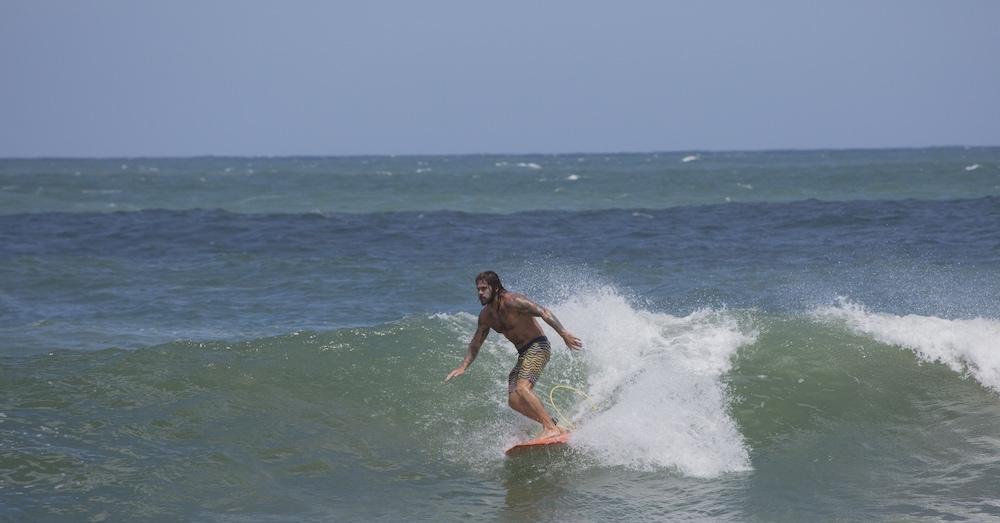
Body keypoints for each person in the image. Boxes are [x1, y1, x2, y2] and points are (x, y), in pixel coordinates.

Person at [445, 271, 583, 439]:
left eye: (483, 288)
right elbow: (476, 343)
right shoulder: (486, 316)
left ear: (495, 288)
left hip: (538, 346)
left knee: (522, 388)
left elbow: (543, 312)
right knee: (514, 400)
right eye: (478, 289)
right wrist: (463, 366)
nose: (480, 293)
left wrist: (563, 333)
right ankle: (553, 425)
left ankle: (550, 428)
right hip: (523, 354)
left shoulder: (513, 301)